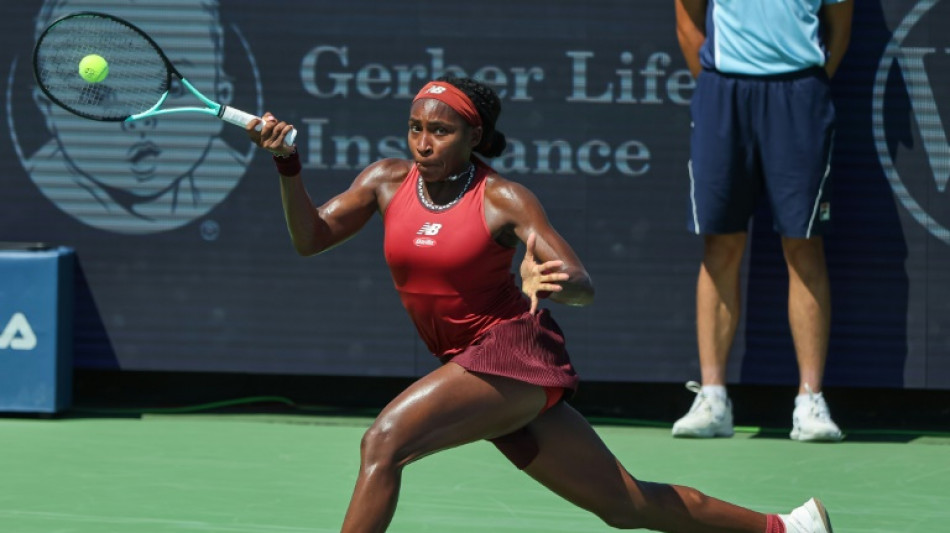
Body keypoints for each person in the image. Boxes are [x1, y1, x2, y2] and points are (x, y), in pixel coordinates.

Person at [250, 76, 834, 532]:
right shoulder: (385, 179)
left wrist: (552, 280)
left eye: (441, 131)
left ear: (473, 135)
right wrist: (286, 164)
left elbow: (582, 281)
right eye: (415, 128)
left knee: (384, 442)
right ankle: (788, 528)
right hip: (470, 366)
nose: (423, 143)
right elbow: (311, 238)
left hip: (511, 354)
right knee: (625, 504)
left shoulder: (503, 199)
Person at [671, 0, 854, 442]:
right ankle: (713, 398)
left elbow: (839, 29)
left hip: (800, 95)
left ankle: (810, 400)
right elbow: (688, 19)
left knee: (803, 242)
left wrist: (799, 82)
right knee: (720, 244)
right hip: (723, 94)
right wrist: (722, 83)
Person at [26, 0, 250, 234]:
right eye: (96, 97)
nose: (141, 118)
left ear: (222, 93)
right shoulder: (38, 179)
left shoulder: (230, 171)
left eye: (172, 89)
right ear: (46, 109)